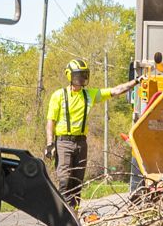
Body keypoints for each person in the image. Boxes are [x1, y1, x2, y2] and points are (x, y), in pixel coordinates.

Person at [44, 59, 136, 205]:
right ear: (69, 75)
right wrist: (50, 143)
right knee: (64, 180)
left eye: (83, 75)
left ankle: (74, 213)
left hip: (81, 143)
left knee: (77, 183)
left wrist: (136, 82)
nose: (81, 78)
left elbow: (115, 91)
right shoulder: (59, 95)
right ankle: (62, 213)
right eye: (78, 75)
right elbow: (51, 122)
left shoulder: (89, 95)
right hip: (63, 143)